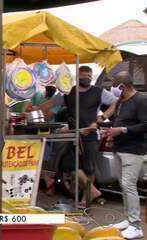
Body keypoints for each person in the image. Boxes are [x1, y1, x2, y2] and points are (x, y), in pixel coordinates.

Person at [33, 66, 118, 205]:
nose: (87, 78)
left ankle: (86, 199)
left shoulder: (99, 92)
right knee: (68, 165)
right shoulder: (67, 92)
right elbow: (51, 103)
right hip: (73, 134)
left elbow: (115, 102)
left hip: (91, 133)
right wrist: (36, 109)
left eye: (89, 76)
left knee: (89, 167)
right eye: (84, 76)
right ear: (77, 76)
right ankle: (93, 191)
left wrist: (101, 118)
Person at [105, 71, 147, 239]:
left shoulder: (141, 100)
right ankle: (128, 220)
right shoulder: (121, 101)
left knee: (129, 185)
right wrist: (111, 133)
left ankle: (136, 226)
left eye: (115, 86)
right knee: (123, 185)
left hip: (133, 150)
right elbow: (119, 121)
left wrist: (122, 130)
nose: (113, 90)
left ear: (123, 86)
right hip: (119, 148)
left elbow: (145, 125)